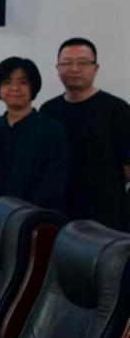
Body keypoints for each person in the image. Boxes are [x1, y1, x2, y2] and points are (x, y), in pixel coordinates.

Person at [41, 38, 130, 229]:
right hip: (59, 212)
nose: (74, 68)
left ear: (95, 68)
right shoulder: (49, 110)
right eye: (67, 63)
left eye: (82, 62)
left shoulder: (117, 109)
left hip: (106, 216)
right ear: (58, 68)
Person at [0, 57, 68, 212]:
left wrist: (27, 214)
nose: (15, 88)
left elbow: (53, 180)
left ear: (34, 87)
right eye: (7, 82)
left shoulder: (51, 129)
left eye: (23, 82)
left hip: (37, 217)